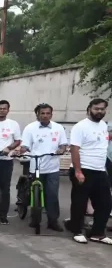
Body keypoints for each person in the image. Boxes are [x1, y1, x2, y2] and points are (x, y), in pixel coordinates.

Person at [65, 98, 111, 244]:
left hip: (99, 170)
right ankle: (77, 231)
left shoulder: (103, 125)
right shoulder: (81, 126)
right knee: (80, 202)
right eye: (96, 108)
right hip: (83, 169)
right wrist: (78, 171)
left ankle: (97, 233)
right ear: (89, 109)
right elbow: (74, 149)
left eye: (102, 109)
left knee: (105, 203)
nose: (100, 111)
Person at [19, 103, 68, 231]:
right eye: (42, 113)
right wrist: (21, 150)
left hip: (53, 167)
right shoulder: (30, 128)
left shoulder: (58, 128)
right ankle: (35, 219)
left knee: (51, 194)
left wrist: (61, 150)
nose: (45, 116)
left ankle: (53, 221)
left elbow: (63, 145)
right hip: (36, 166)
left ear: (51, 114)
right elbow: (25, 145)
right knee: (34, 194)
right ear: (38, 114)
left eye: (48, 113)